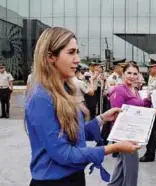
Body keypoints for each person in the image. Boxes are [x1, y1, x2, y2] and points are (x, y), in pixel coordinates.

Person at [25, 27, 140, 186]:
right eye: (71, 52)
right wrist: (112, 148)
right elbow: (63, 153)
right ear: (50, 56)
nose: (78, 59)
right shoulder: (41, 97)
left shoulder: (64, 90)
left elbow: (72, 134)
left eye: (77, 52)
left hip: (73, 177)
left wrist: (101, 119)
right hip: (53, 181)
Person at [108, 63, 151, 186]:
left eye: (135, 73)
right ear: (123, 74)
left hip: (134, 133)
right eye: (129, 73)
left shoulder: (135, 90)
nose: (132, 76)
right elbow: (116, 114)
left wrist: (148, 101)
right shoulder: (119, 90)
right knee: (131, 170)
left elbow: (141, 108)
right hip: (125, 135)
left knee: (121, 168)